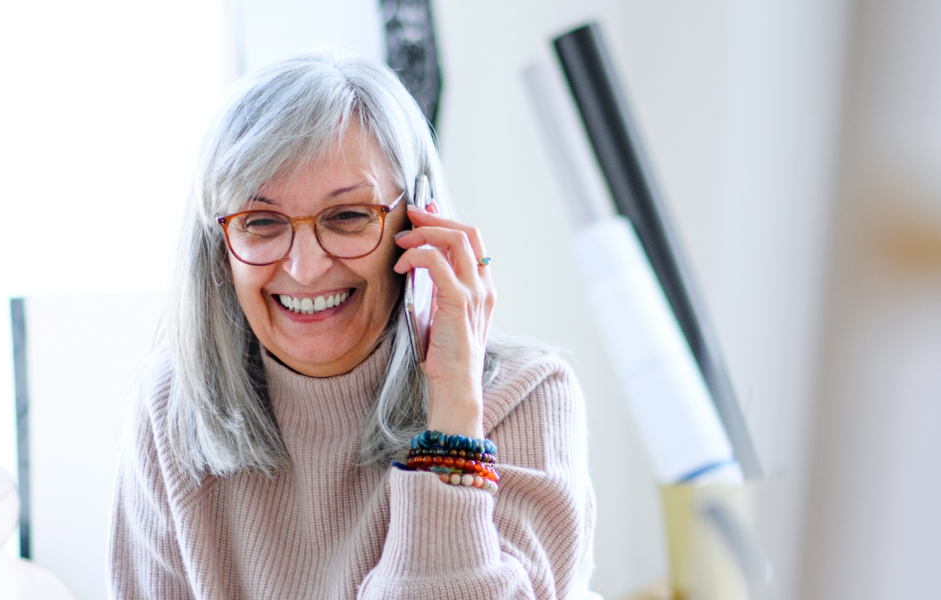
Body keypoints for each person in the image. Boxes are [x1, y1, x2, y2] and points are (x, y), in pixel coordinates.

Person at [110, 50, 598, 599]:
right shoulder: (171, 408)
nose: (305, 267)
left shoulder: (525, 397)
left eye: (347, 216)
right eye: (261, 222)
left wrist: (454, 413)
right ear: (219, 249)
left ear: (420, 222)